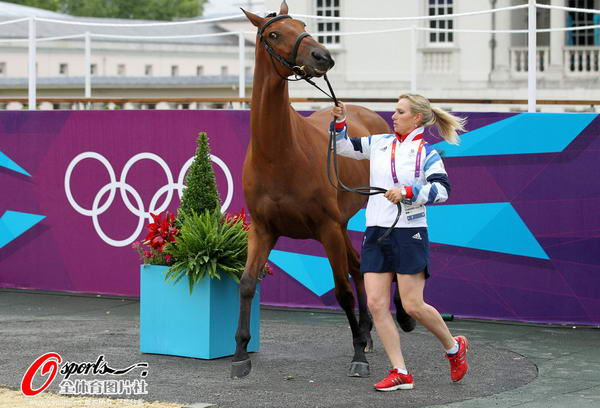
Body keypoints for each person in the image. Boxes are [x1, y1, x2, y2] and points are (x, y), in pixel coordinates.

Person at [331, 94, 468, 391]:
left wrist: (407, 191)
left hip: (409, 232)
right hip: (376, 230)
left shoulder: (426, 152)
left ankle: (454, 348)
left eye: (400, 111)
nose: (393, 115)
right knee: (377, 304)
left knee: (413, 305)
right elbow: (342, 146)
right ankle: (401, 371)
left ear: (416, 118)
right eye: (395, 110)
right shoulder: (379, 142)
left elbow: (442, 191)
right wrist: (341, 121)